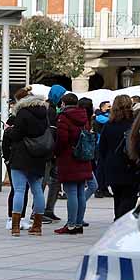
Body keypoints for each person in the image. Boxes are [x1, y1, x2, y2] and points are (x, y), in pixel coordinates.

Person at [6, 86, 53, 236]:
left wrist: (9, 131)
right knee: (37, 190)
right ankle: (37, 226)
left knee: (19, 190)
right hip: (38, 155)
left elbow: (17, 134)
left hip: (21, 155)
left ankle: (15, 226)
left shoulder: (23, 113)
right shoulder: (44, 113)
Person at [53, 93, 94, 235]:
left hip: (68, 158)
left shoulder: (63, 117)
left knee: (70, 192)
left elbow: (62, 139)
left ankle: (70, 225)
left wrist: (56, 152)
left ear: (64, 104)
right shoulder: (83, 116)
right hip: (83, 156)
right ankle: (78, 223)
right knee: (80, 193)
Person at [98, 94, 139, 219]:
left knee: (118, 197)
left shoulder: (109, 125)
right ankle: (122, 221)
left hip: (113, 165)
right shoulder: (135, 124)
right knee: (129, 197)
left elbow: (102, 148)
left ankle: (118, 220)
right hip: (131, 165)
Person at [42, 85, 67, 223]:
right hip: (49, 151)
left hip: (51, 151)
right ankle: (38, 211)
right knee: (45, 181)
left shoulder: (53, 109)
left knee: (54, 180)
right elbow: (52, 132)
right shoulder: (50, 111)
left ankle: (48, 210)